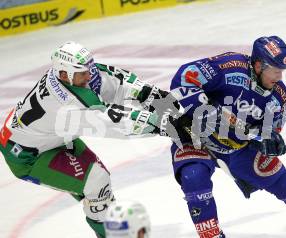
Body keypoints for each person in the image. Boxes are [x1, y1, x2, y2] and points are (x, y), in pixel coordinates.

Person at [167, 36, 286, 237]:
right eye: (274, 70)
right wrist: (204, 110)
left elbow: (268, 132)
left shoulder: (279, 98)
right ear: (257, 65)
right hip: (194, 134)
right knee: (193, 177)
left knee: (276, 176)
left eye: (282, 71)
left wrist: (269, 141)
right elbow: (184, 77)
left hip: (236, 145)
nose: (279, 76)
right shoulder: (230, 67)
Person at [0, 41, 172, 238]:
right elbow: (115, 123)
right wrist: (162, 124)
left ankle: (108, 225)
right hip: (26, 156)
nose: (89, 76)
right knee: (97, 183)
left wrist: (150, 95)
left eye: (88, 69)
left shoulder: (66, 77)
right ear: (65, 74)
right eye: (83, 73)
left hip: (45, 137)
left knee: (100, 189)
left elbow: (112, 81)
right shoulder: (68, 104)